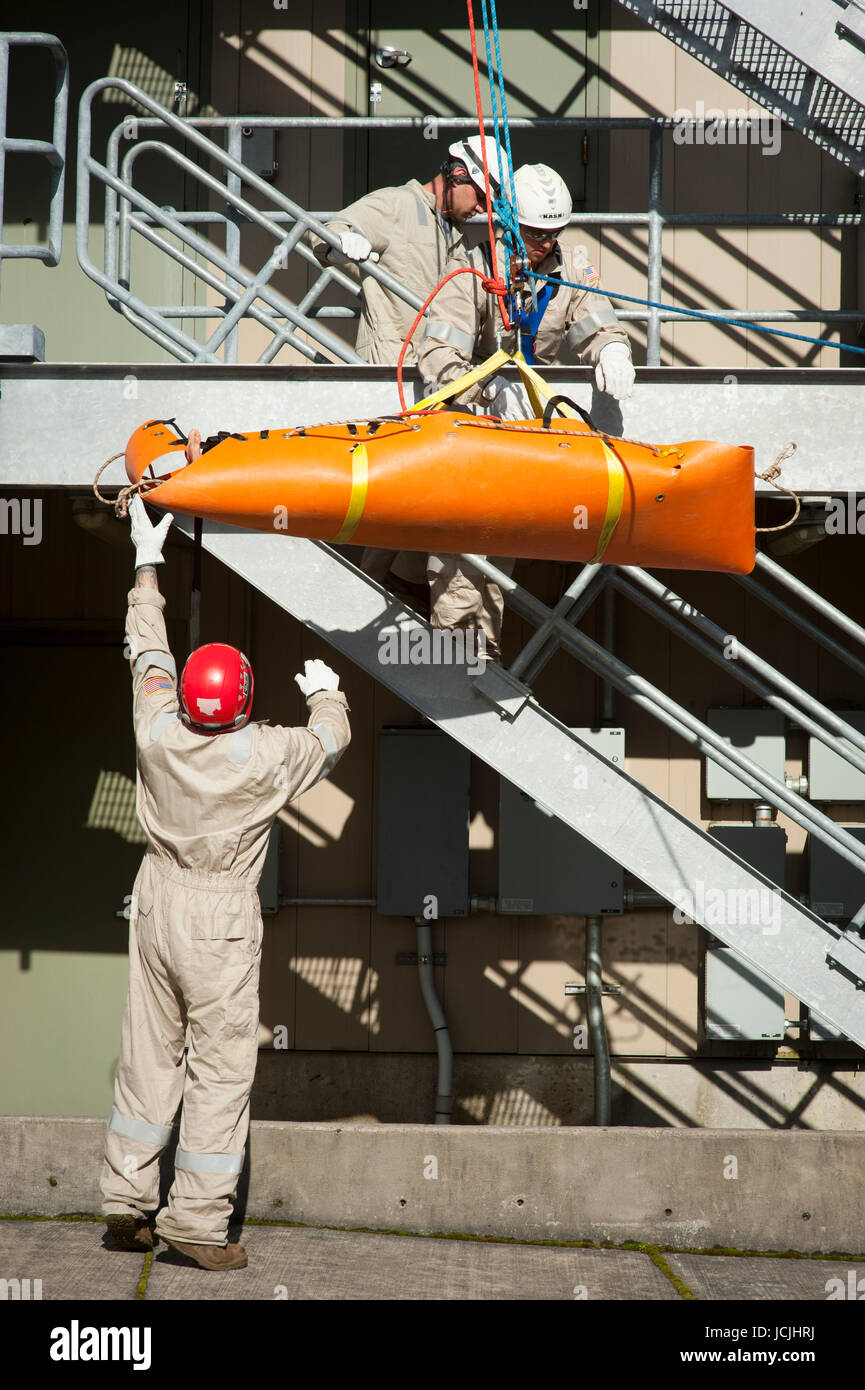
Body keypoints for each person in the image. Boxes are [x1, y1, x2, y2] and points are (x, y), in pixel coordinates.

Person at [100, 495, 351, 1271]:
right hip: (217, 918)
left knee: (148, 1054)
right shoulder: (266, 756)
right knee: (218, 1068)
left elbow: (148, 655)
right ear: (244, 705)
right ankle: (199, 1224)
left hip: (155, 896)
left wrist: (147, 563)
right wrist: (325, 690)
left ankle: (126, 1204)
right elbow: (331, 740)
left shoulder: (157, 731)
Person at [415, 161, 635, 661]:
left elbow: (593, 321)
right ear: (511, 220)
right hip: (473, 429)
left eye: (553, 234)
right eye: (536, 233)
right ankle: (457, 656)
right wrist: (473, 393)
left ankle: (481, 652)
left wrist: (613, 349)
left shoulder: (570, 267)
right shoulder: (471, 268)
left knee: (502, 548)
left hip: (529, 431)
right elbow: (439, 353)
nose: (544, 243)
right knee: (463, 548)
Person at [310, 134, 505, 366]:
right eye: (481, 197)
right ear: (459, 176)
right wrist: (343, 241)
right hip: (388, 365)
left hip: (433, 368)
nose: (483, 209)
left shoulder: (458, 237)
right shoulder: (397, 204)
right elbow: (326, 232)